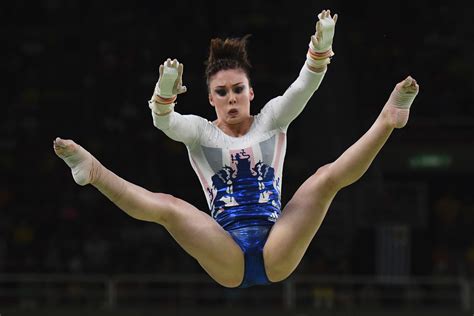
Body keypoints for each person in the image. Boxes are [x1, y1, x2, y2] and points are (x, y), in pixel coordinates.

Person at [53, 9, 419, 288]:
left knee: (325, 179)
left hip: (278, 244)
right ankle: (94, 172)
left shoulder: (272, 119)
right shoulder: (199, 132)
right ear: (211, 99)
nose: (232, 99)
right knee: (170, 208)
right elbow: (165, 123)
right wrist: (163, 96)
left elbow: (302, 88)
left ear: (251, 92)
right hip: (226, 252)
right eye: (222, 93)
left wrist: (319, 50)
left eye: (238, 90)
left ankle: (388, 118)